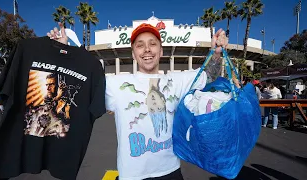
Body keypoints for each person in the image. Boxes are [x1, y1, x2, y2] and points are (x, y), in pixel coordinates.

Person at [48, 22, 229, 180]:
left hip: (170, 172)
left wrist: (217, 52)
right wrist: (61, 53)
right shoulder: (114, 84)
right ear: (134, 53)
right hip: (131, 176)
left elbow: (209, 76)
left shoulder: (177, 81)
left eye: (152, 44)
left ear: (161, 51)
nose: (147, 49)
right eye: (140, 45)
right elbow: (77, 83)